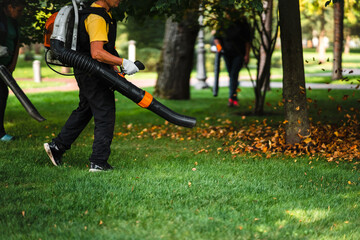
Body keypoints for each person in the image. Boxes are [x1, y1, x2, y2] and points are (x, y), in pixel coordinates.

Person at [44, 0, 139, 172]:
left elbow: (105, 49)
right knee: (105, 112)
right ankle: (98, 162)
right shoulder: (96, 17)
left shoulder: (101, 14)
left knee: (86, 109)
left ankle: (57, 146)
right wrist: (124, 61)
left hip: (89, 71)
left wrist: (116, 69)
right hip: (92, 72)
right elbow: (97, 53)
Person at [213, 10, 251, 107]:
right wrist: (219, 48)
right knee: (232, 75)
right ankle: (233, 97)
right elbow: (217, 38)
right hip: (227, 53)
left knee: (233, 74)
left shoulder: (242, 24)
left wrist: (247, 55)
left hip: (239, 53)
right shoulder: (223, 23)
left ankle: (232, 99)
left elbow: (247, 41)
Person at [0, 0, 25, 141]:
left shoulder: (14, 23)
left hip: (5, 69)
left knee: (2, 97)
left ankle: (1, 133)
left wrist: (13, 63)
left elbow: (16, 44)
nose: (20, 14)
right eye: (19, 11)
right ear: (10, 7)